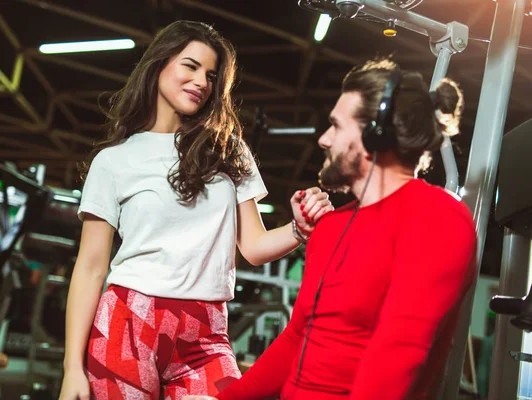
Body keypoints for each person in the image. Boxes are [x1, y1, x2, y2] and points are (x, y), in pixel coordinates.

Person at [58, 20, 333, 400]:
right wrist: (72, 366)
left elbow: (252, 247)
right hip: (128, 323)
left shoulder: (227, 149)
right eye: (190, 66)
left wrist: (299, 229)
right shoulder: (113, 161)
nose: (201, 81)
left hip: (206, 332)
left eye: (211, 75)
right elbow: (89, 267)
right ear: (159, 65)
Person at [185, 57, 478, 400]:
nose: (324, 139)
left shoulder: (438, 219)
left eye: (336, 126)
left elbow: (398, 356)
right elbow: (297, 338)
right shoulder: (330, 228)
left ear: (375, 135)